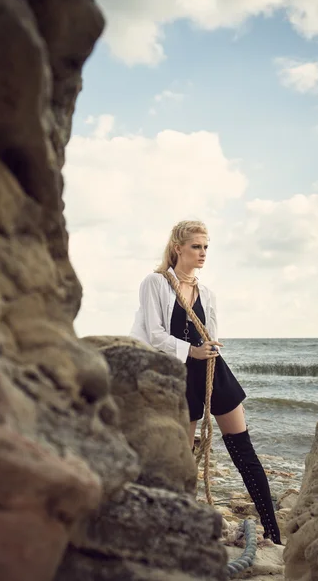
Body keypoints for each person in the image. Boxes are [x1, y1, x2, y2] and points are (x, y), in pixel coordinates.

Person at [130, 220, 281, 544]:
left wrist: (208, 349)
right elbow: (155, 334)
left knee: (243, 448)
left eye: (206, 247)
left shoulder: (207, 293)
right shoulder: (155, 283)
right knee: (184, 457)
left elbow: (212, 332)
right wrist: (192, 352)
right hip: (180, 373)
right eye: (196, 246)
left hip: (211, 369)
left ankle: (273, 529)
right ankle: (177, 527)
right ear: (177, 248)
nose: (202, 253)